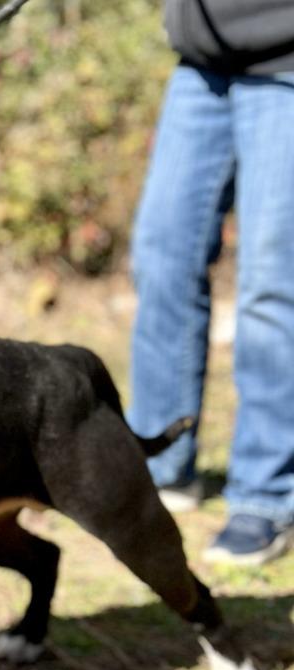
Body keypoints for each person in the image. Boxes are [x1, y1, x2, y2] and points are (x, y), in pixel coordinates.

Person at [128, 0, 294, 565]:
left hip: (286, 60)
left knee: (272, 282)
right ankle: (159, 465)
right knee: (162, 256)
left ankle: (266, 494)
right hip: (202, 60)